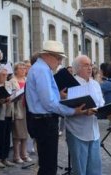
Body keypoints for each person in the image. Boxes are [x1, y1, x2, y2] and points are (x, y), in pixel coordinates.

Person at [25, 40, 86, 175]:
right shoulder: (41, 70)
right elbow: (49, 103)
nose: (59, 62)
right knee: (48, 166)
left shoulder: (41, 69)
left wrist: (59, 96)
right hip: (44, 121)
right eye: (58, 58)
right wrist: (73, 111)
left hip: (43, 120)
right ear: (48, 55)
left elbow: (45, 98)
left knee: (48, 164)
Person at [65, 55, 104, 175]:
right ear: (77, 68)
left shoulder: (95, 84)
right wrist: (83, 110)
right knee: (80, 169)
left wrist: (102, 109)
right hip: (77, 130)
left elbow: (101, 101)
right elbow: (66, 106)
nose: (90, 68)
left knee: (95, 168)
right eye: (86, 65)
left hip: (94, 130)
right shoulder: (71, 84)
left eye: (91, 65)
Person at [0, 65, 15, 168]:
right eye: (3, 74)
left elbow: (12, 95)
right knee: (0, 138)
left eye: (6, 75)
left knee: (7, 137)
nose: (5, 76)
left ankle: (5, 158)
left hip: (9, 112)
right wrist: (1, 100)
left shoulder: (8, 83)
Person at [10, 62, 31, 163]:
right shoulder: (12, 81)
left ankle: (24, 154)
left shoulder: (28, 80)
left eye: (24, 68)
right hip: (18, 109)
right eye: (21, 68)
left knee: (25, 134)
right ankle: (16, 155)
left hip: (28, 109)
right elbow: (10, 96)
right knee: (17, 134)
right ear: (16, 70)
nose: (23, 70)